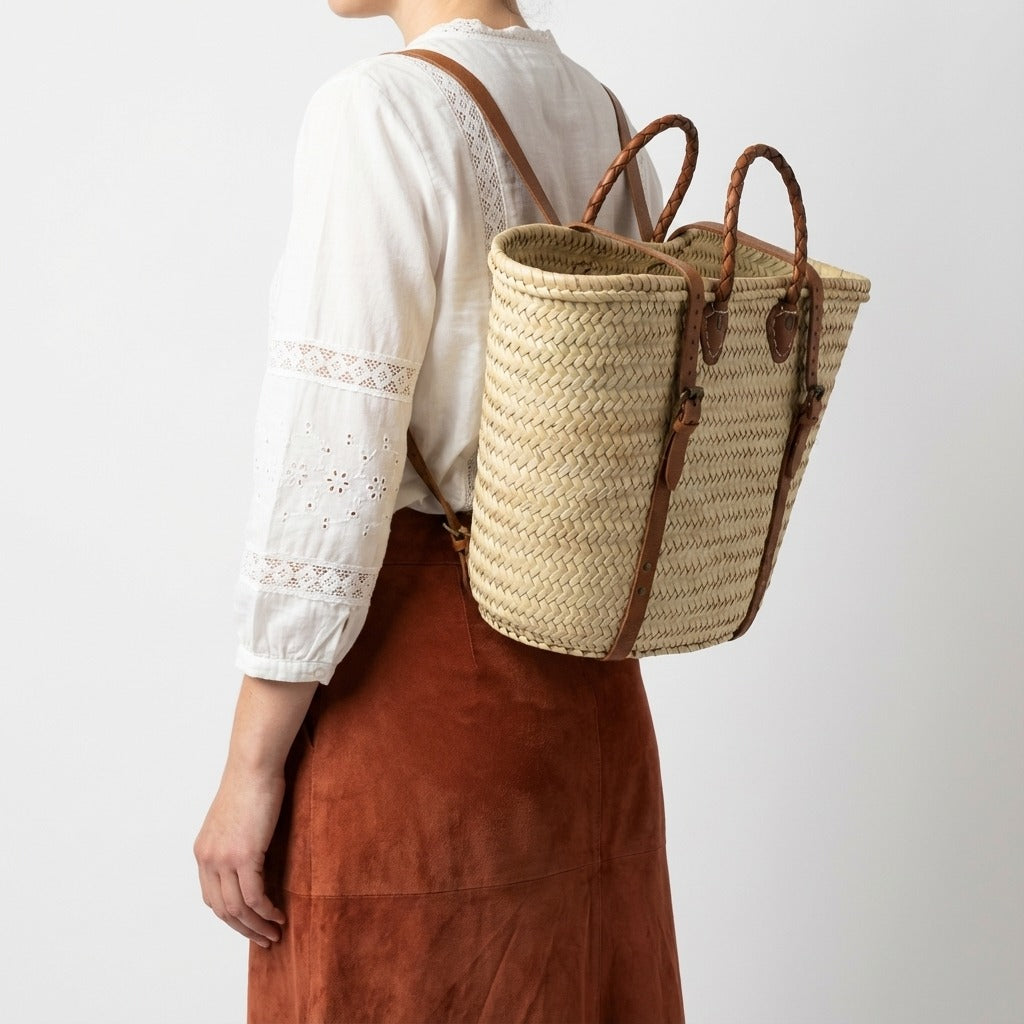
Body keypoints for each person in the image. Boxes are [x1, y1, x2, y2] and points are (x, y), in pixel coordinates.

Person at [194, 1, 686, 1020]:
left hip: (418, 704)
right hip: (586, 695)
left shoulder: (378, 106)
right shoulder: (598, 109)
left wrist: (250, 768)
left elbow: (332, 453)